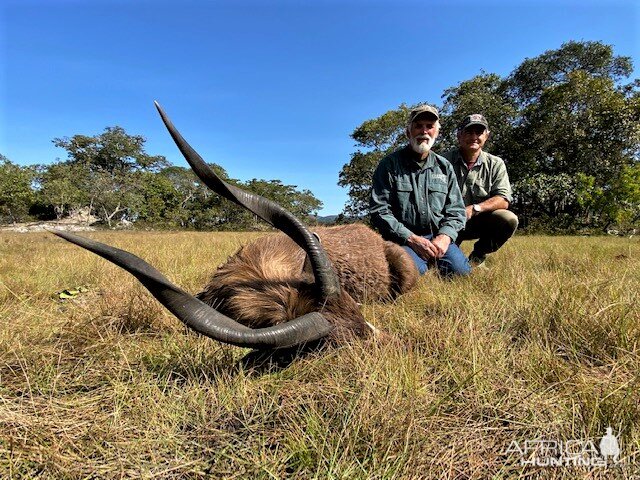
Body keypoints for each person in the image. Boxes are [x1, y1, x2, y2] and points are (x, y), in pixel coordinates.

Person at [369, 104, 470, 276]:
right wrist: (411, 239)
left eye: (429, 126)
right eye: (418, 126)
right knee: (410, 274)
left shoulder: (444, 167)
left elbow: (456, 210)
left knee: (461, 273)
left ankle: (437, 260)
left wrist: (445, 237)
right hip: (404, 240)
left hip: (438, 238)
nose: (424, 131)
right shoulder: (389, 165)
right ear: (408, 132)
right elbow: (379, 210)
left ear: (437, 132)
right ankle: (422, 264)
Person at [442, 114, 518, 266]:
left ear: (486, 136)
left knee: (509, 219)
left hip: (479, 220)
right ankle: (449, 252)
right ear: (459, 135)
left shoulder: (496, 164)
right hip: (447, 222)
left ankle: (478, 255)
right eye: (469, 132)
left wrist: (475, 209)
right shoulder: (442, 161)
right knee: (445, 267)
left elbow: (503, 199)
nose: (474, 137)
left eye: (479, 132)